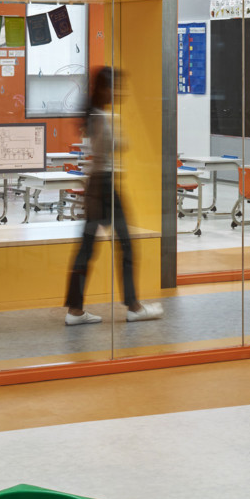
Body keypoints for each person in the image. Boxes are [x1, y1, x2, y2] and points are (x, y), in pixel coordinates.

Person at [64, 66, 163, 325]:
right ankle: (134, 306)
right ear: (104, 89)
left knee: (87, 248)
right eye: (115, 87)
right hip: (105, 186)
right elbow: (117, 146)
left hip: (97, 186)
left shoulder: (96, 115)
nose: (119, 92)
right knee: (127, 246)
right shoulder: (102, 118)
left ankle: (75, 310)